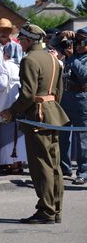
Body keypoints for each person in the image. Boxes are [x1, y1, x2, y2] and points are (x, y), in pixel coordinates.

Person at [0, 23, 69, 224]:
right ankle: (55, 209)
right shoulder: (52, 58)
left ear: (29, 40)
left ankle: (46, 210)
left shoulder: (29, 60)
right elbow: (59, 90)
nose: (19, 42)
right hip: (53, 114)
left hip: (37, 116)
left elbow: (28, 94)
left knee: (41, 166)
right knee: (54, 165)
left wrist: (11, 112)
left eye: (21, 39)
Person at [58, 27, 87, 185]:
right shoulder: (72, 53)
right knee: (63, 136)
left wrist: (71, 57)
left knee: (82, 139)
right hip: (66, 97)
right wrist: (61, 34)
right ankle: (65, 168)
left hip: (82, 99)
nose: (77, 44)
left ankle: (83, 171)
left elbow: (84, 75)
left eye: (81, 41)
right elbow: (54, 45)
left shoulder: (76, 57)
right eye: (76, 41)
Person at [0, 43, 27, 174]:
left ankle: (11, 164)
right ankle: (19, 163)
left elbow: (1, 84)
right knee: (19, 136)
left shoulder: (6, 65)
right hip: (20, 105)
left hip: (7, 105)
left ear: (6, 53)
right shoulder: (23, 64)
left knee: (7, 136)